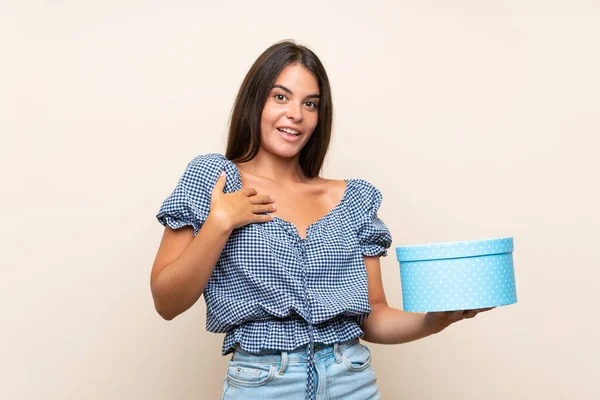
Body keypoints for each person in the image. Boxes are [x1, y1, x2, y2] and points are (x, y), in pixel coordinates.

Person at [150, 40, 492, 400]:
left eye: (309, 103)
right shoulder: (215, 180)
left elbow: (372, 314)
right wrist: (219, 222)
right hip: (263, 384)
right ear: (255, 101)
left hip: (351, 378)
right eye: (280, 97)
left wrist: (433, 321)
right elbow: (166, 303)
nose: (296, 113)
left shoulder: (351, 199)